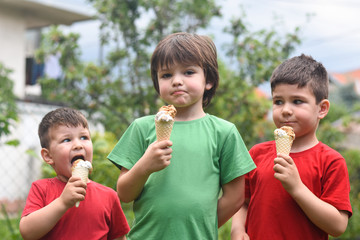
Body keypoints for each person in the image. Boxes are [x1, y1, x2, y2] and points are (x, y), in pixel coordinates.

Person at [108, 32, 256, 240]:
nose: (177, 81)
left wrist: (200, 227)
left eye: (188, 72)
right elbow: (124, 194)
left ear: (209, 80)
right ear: (157, 82)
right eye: (166, 75)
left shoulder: (224, 132)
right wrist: (145, 166)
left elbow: (235, 197)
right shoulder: (141, 128)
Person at [231, 54, 352, 240]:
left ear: (322, 109)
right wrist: (238, 230)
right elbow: (242, 202)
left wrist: (297, 188)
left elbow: (337, 226)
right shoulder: (257, 154)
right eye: (278, 101)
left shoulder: (331, 161)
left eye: (297, 101)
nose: (286, 110)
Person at [19, 107, 130, 240]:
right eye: (66, 140)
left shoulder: (109, 196)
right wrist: (62, 202)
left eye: (84, 137)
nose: (78, 145)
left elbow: (119, 237)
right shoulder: (42, 189)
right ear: (48, 156)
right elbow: (27, 232)